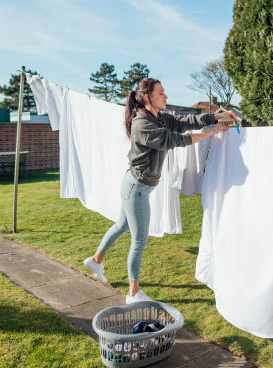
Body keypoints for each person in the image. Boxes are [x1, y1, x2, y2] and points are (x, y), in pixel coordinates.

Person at [83, 78, 237, 304]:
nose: (166, 97)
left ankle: (95, 261)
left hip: (135, 186)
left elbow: (183, 121)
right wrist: (212, 132)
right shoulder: (142, 124)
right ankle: (133, 293)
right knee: (139, 240)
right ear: (148, 97)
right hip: (136, 189)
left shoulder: (157, 117)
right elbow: (174, 139)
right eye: (161, 93)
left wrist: (216, 116)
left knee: (121, 226)